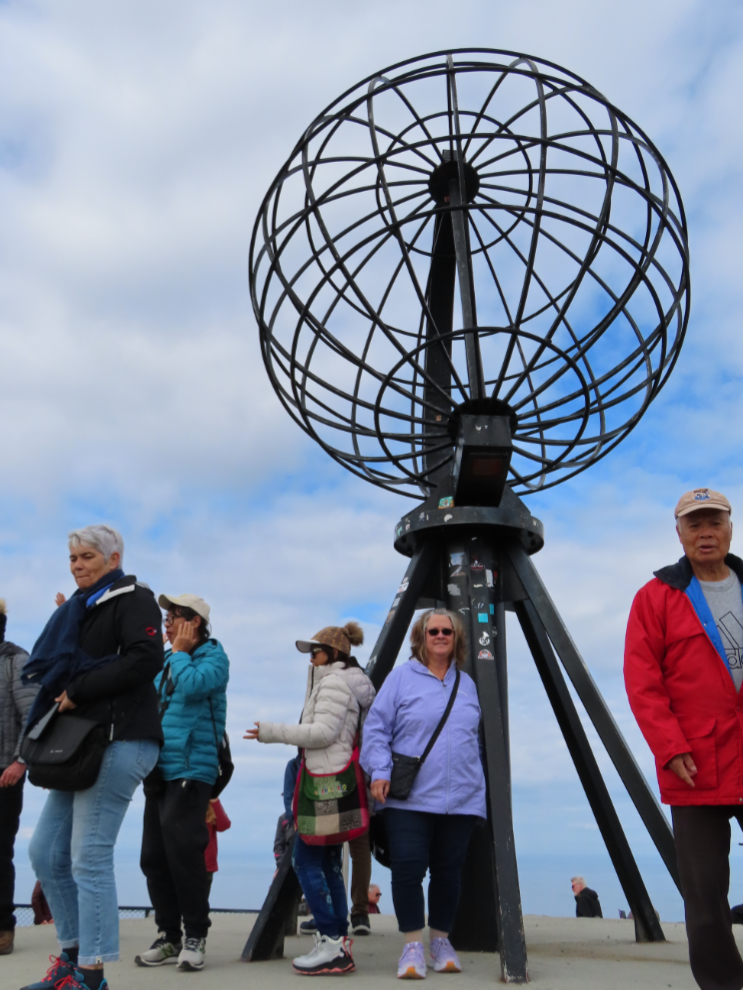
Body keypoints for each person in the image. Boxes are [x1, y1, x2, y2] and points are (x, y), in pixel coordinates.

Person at [21, 525, 164, 990]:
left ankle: (92, 974)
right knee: (44, 851)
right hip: (84, 745)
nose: (77, 564)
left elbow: (146, 660)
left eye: (86, 556)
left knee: (89, 856)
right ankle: (72, 956)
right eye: (73, 558)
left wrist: (76, 690)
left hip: (122, 738)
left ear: (113, 557)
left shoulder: (134, 596)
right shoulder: (82, 608)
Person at [624, 487, 743, 990]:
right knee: (705, 891)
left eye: (713, 521)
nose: (706, 532)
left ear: (730, 526)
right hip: (695, 762)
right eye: (695, 524)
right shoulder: (656, 597)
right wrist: (669, 747)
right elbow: (642, 681)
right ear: (680, 533)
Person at [360, 608, 486, 979]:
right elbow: (376, 729)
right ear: (421, 636)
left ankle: (441, 941)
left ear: (456, 638)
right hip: (409, 797)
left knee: (449, 873)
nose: (441, 636)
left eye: (448, 631)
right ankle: (412, 945)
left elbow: (474, 741)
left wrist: (478, 789)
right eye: (433, 631)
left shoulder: (468, 685)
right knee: (408, 869)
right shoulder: (401, 678)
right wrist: (380, 771)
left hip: (460, 798)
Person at [245, 621, 375, 976]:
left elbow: (323, 732)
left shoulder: (334, 682)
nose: (311, 659)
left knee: (305, 857)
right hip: (339, 781)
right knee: (330, 859)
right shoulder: (351, 682)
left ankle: (331, 940)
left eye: (316, 652)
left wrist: (272, 732)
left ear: (333, 653)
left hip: (323, 782)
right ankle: (337, 939)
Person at [136, 593, 229, 973]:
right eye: (166, 616)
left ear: (196, 623)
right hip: (159, 769)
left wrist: (178, 651)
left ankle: (195, 936)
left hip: (193, 767)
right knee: (153, 858)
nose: (168, 622)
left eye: (176, 616)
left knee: (184, 854)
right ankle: (169, 936)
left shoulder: (214, 658)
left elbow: (191, 686)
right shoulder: (166, 657)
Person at [0, 599, 37, 955]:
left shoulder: (16, 660)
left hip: (4, 773)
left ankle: (2, 929)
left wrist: (20, 761)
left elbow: (34, 715)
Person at [205, 798, 231, 895]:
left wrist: (214, 800)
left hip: (206, 866)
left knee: (200, 905)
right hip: (184, 864)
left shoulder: (209, 806)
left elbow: (224, 825)